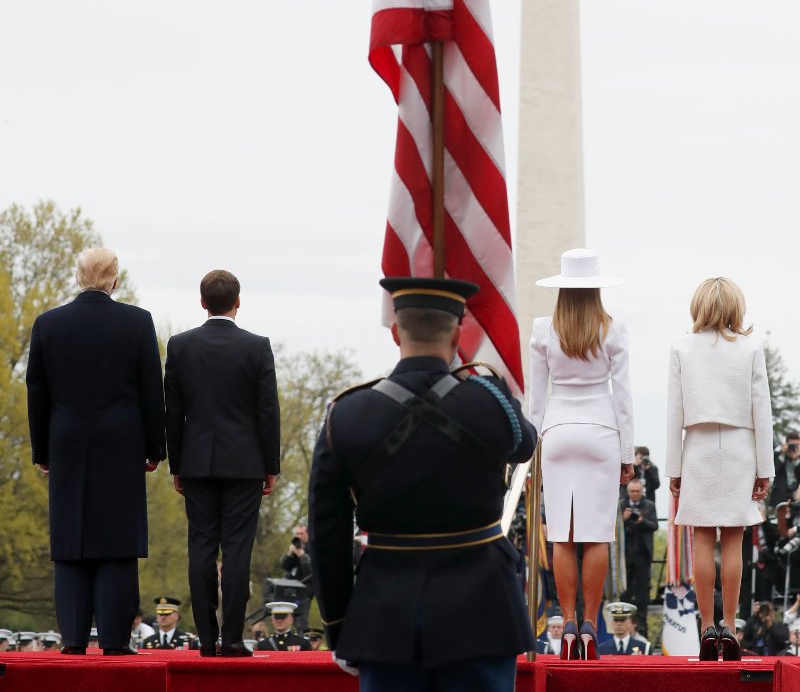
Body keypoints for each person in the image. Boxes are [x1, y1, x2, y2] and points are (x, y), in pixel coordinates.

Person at [309, 276, 535, 691]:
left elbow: (327, 534)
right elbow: (525, 445)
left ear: (396, 332)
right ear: (458, 335)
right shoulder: (490, 399)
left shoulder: (346, 415)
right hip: (483, 613)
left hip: (384, 618)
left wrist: (339, 625)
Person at [26, 247, 165, 656]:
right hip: (122, 445)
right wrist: (155, 448)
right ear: (115, 280)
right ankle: (115, 640)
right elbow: (150, 390)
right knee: (118, 542)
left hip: (67, 443)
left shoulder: (48, 324)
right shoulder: (137, 322)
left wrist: (42, 451)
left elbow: (37, 393)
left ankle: (72, 639)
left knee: (70, 542)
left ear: (77, 276)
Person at [165, 268, 281, 659]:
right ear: (238, 302)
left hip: (197, 461)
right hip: (245, 464)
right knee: (237, 551)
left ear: (202, 302)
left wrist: (177, 465)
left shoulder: (180, 346)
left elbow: (173, 411)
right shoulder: (256, 347)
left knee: (201, 549)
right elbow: (268, 411)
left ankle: (205, 639)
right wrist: (270, 465)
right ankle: (231, 638)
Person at [529, 249, 634, 660]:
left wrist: (531, 447)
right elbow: (623, 397)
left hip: (558, 430)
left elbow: (537, 397)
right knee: (596, 534)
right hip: (601, 431)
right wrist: (627, 451)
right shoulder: (613, 329)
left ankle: (568, 621)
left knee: (562, 533)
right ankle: (590, 623)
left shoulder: (543, 329)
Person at [666, 277, 774, 661]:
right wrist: (765, 467)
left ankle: (706, 627)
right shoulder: (751, 347)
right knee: (733, 539)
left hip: (697, 447)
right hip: (741, 447)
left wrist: (673, 467)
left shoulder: (681, 346)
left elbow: (674, 411)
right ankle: (729, 625)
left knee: (701, 537)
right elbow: (762, 410)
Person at [620, 479, 658, 638]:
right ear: (628, 492)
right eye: (632, 491)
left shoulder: (649, 505)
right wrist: (623, 519)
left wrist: (642, 521)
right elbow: (613, 527)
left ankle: (642, 628)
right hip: (625, 555)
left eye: (637, 491)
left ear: (642, 491)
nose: (635, 494)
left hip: (642, 554)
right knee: (625, 592)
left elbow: (654, 525)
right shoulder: (621, 504)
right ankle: (623, 625)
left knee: (642, 593)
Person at [771, 432, 800, 508]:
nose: (793, 447)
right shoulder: (778, 454)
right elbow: (773, 471)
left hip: (796, 495)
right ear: (786, 444)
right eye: (791, 445)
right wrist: (782, 455)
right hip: (779, 495)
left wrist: (796, 459)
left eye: (797, 445)